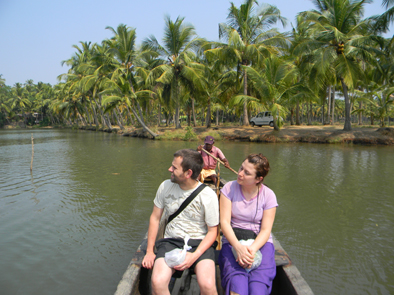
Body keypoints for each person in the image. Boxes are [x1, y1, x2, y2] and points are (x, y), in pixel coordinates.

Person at [142, 149, 219, 295]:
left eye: (174, 168)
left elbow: (212, 232)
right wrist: (150, 251)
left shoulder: (208, 195)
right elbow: (155, 218)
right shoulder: (165, 186)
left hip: (199, 243)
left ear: (188, 173)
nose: (169, 169)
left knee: (208, 286)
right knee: (157, 282)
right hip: (171, 241)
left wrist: (194, 255)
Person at [218, 154, 278, 295]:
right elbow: (225, 223)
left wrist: (251, 251)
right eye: (241, 168)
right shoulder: (228, 188)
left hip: (260, 243)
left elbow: (265, 230)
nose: (239, 173)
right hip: (233, 240)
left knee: (258, 289)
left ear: (258, 179)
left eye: (247, 173)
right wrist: (238, 248)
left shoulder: (268, 196)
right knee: (237, 287)